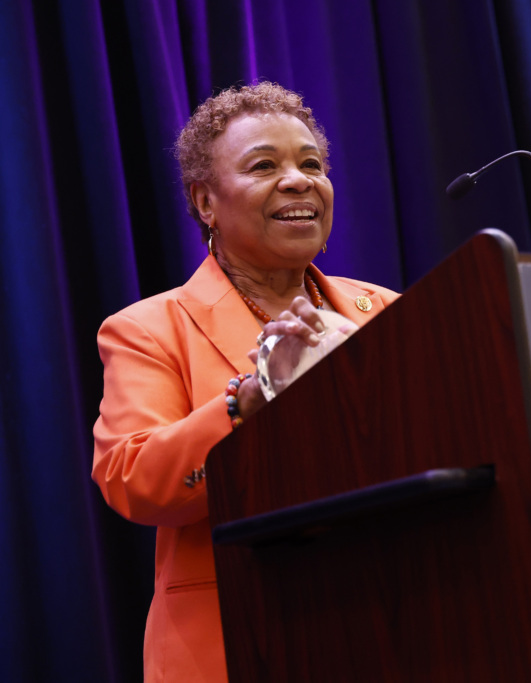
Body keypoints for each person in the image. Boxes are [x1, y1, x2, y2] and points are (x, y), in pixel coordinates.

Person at [92, 82, 399, 682]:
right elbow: (134, 481)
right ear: (205, 202)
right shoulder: (148, 329)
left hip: (389, 621)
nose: (298, 180)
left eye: (311, 164)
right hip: (236, 641)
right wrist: (244, 405)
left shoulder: (382, 312)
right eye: (265, 166)